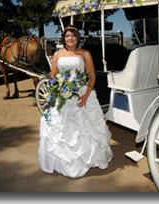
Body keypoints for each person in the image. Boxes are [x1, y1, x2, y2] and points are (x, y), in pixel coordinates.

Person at [38, 25, 113, 178]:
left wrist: (85, 96)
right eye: (67, 36)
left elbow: (91, 76)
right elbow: (54, 77)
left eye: (73, 35)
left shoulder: (85, 53)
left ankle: (90, 159)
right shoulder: (57, 54)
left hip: (81, 93)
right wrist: (52, 95)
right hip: (62, 95)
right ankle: (62, 161)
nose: (70, 38)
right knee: (61, 129)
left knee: (85, 129)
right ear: (63, 39)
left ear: (77, 38)